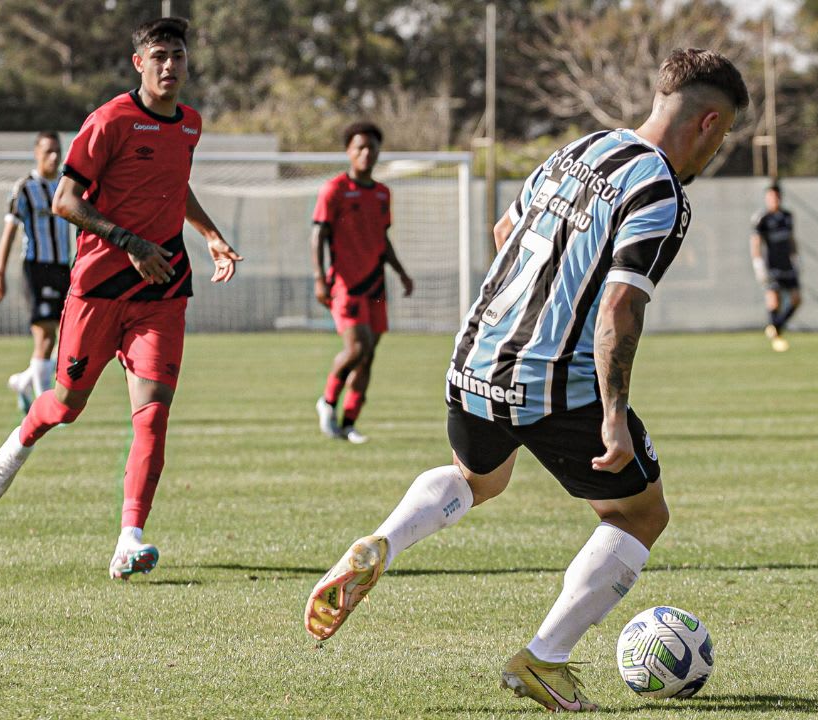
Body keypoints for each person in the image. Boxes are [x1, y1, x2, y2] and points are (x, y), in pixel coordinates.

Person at [303, 48, 748, 712]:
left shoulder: (581, 148)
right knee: (638, 512)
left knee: (478, 478)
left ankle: (382, 541)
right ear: (708, 122)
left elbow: (505, 228)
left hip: (472, 360)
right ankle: (545, 658)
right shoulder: (661, 190)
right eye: (725, 135)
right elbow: (621, 305)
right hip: (550, 382)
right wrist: (614, 412)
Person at [0, 17, 243, 581]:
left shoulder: (190, 125)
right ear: (139, 63)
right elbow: (64, 200)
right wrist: (128, 242)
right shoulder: (109, 121)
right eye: (159, 56)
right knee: (67, 406)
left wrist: (211, 234)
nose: (170, 65)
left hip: (163, 288)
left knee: (152, 417)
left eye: (178, 55)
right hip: (99, 287)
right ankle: (26, 433)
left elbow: (177, 185)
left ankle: (130, 540)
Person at [311, 121, 414, 444]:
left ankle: (349, 422)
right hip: (344, 283)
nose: (366, 153)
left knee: (369, 356)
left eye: (372, 147)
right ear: (348, 152)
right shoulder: (334, 190)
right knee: (357, 347)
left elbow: (382, 239)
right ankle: (326, 401)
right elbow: (318, 234)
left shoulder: (383, 193)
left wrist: (400, 271)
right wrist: (319, 277)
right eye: (360, 147)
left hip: (375, 284)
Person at [0, 131, 76, 411]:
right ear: (36, 153)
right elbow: (10, 231)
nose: (54, 156)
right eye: (48, 151)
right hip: (36, 268)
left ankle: (24, 381)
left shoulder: (67, 185)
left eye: (57, 150)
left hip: (64, 267)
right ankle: (46, 405)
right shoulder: (25, 188)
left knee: (62, 337)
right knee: (46, 334)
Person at [750, 183, 802, 352]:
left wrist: (796, 258)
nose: (774, 200)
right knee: (774, 298)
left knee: (796, 299)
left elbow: (791, 239)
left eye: (776, 196)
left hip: (786, 263)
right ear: (767, 199)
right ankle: (777, 337)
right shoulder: (762, 219)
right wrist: (758, 264)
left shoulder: (787, 216)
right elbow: (756, 242)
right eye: (771, 197)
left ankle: (775, 327)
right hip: (771, 265)